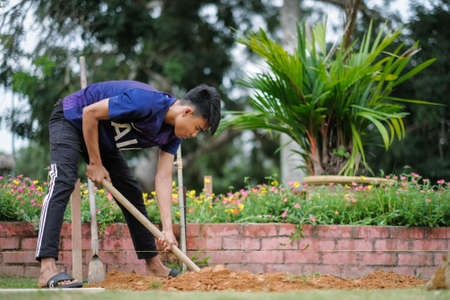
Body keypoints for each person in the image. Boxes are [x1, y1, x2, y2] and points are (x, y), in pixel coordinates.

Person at [35, 80, 221, 288]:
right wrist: (95, 163)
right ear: (186, 112)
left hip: (102, 138)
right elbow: (90, 113)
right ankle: (47, 268)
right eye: (196, 128)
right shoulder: (145, 102)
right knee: (63, 180)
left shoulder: (173, 134)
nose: (193, 135)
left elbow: (163, 177)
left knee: (131, 192)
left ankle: (154, 265)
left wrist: (168, 229)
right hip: (72, 118)